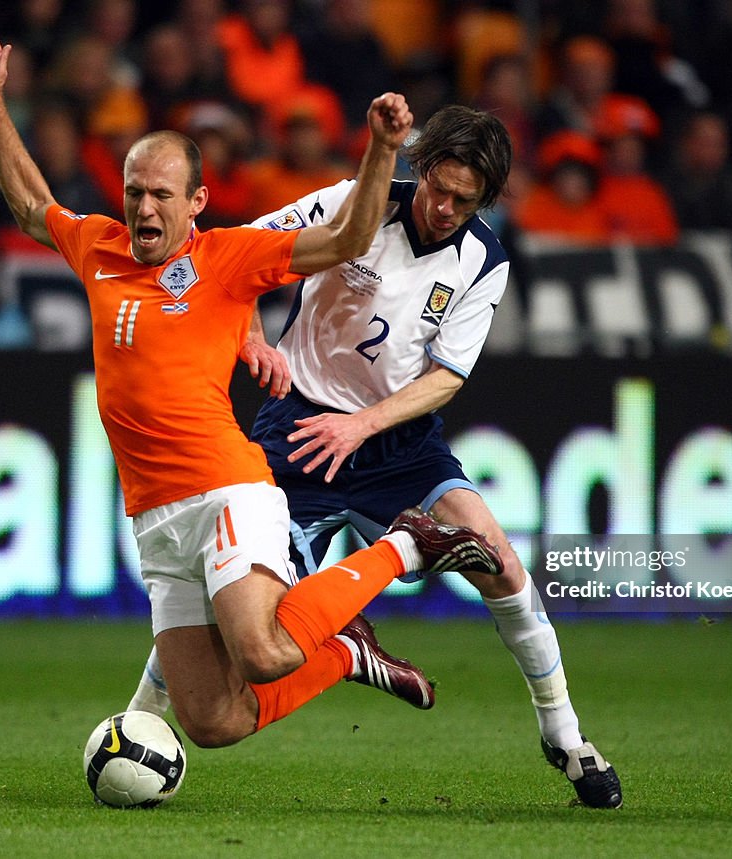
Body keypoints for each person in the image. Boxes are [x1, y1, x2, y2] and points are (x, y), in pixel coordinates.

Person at [0, 21, 502, 751]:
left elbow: (346, 240)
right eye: (134, 192)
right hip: (154, 518)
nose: (144, 208)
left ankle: (404, 546)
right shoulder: (98, 245)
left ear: (197, 201)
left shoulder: (227, 257)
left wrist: (381, 149)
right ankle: (349, 653)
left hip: (226, 488)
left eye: (161, 194)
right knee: (216, 721)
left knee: (265, 650)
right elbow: (31, 205)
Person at [133, 104, 624, 809]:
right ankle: (143, 717)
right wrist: (251, 340)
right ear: (419, 170)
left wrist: (361, 425)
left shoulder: (486, 259)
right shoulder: (349, 204)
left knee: (499, 559)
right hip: (299, 433)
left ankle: (566, 736)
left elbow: (447, 376)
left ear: (485, 198)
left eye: (465, 198)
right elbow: (229, 258)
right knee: (228, 601)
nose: (447, 207)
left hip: (397, 444)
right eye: (438, 188)